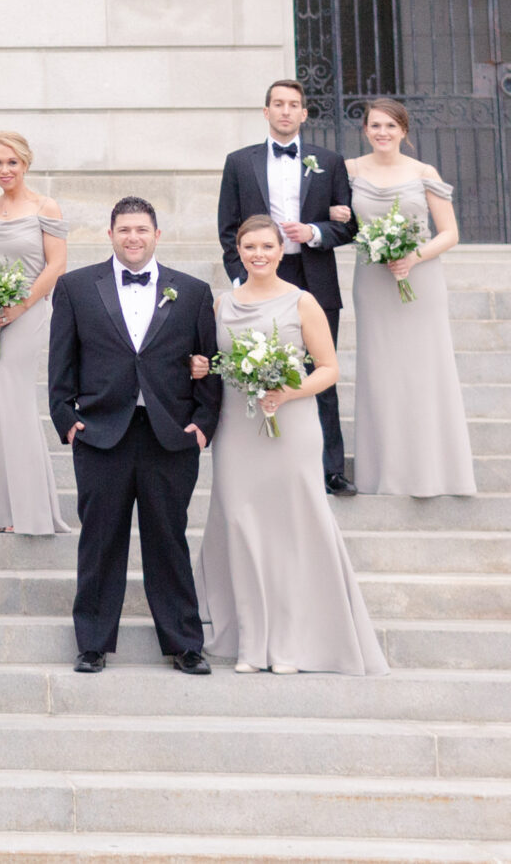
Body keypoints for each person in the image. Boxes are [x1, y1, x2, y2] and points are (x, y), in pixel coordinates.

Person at [196, 216, 387, 675]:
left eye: (266, 246)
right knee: (241, 526)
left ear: (281, 251)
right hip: (237, 431)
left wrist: (287, 392)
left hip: (292, 427)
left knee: (290, 530)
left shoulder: (303, 302)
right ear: (237, 251)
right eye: (249, 246)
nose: (257, 254)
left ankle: (290, 643)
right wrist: (203, 367)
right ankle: (251, 644)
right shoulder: (220, 304)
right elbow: (214, 362)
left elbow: (328, 368)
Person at [47, 197, 221, 676]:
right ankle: (93, 642)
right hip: (102, 433)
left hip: (170, 435)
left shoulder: (192, 291)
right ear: (110, 234)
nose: (133, 238)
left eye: (142, 230)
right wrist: (67, 419)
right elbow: (60, 361)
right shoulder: (77, 287)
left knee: (169, 539)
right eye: (124, 230)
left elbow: (209, 364)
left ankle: (184, 643)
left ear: (157, 235)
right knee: (100, 540)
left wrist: (204, 425)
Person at [217, 79, 359, 495]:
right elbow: (228, 228)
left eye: (293, 105)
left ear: (304, 114)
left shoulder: (329, 161)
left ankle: (330, 469)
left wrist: (313, 231)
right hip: (258, 284)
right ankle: (267, 460)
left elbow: (347, 226)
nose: (285, 111)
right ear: (266, 112)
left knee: (319, 372)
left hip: (312, 278)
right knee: (258, 371)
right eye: (277, 104)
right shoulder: (239, 162)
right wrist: (244, 280)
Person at [346, 99, 476, 498]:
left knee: (423, 371)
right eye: (375, 125)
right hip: (373, 281)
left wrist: (412, 257)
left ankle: (433, 472)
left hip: (420, 282)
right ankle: (383, 473)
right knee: (381, 373)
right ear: (365, 130)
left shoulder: (424, 173)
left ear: (404, 130)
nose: (382, 132)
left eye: (390, 125)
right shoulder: (349, 171)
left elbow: (449, 232)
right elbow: (339, 219)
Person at [0, 132, 72, 536]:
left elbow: (56, 266)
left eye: (12, 162)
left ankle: (29, 510)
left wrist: (20, 306)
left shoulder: (46, 207)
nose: (4, 170)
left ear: (25, 163)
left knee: (10, 400)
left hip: (27, 312)